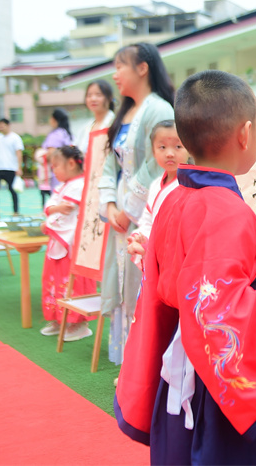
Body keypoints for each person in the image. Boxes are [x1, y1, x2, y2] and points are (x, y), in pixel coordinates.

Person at [114, 70, 256, 465]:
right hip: (216, 382)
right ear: (245, 134)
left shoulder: (175, 199)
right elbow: (222, 312)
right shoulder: (226, 211)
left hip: (181, 365)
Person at [99, 42, 174, 366]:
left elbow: (159, 164)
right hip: (121, 215)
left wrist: (129, 210)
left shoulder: (159, 110)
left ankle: (146, 360)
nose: (114, 74)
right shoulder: (125, 111)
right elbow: (108, 164)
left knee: (141, 277)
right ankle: (128, 357)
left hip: (145, 214)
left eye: (120, 66)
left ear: (142, 68)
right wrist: (110, 205)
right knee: (121, 278)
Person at [40, 145, 96, 341]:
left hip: (71, 243)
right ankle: (57, 317)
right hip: (59, 241)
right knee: (53, 281)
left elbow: (65, 212)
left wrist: (50, 216)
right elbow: (50, 207)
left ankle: (79, 323)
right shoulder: (64, 185)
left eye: (56, 166)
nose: (53, 170)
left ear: (71, 164)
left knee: (74, 282)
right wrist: (53, 211)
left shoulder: (79, 185)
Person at [125, 120, 190, 267]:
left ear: (189, 148)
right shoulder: (155, 186)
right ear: (153, 152)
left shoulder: (191, 185)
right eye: (162, 147)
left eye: (178, 146)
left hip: (179, 256)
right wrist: (141, 238)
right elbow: (148, 222)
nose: (169, 153)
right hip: (158, 254)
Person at [0, 118, 25, 214]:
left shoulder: (15, 138)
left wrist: (19, 167)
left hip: (11, 168)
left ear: (8, 125)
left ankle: (16, 211)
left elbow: (19, 153)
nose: (0, 127)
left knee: (13, 190)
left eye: (2, 125)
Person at [76, 79, 117, 155]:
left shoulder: (114, 123)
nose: (93, 99)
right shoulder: (87, 127)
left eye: (98, 95)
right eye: (89, 95)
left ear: (109, 98)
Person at [42, 108, 74, 191]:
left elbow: (51, 153)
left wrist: (42, 155)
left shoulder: (55, 134)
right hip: (69, 170)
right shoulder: (67, 134)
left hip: (58, 171)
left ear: (54, 119)